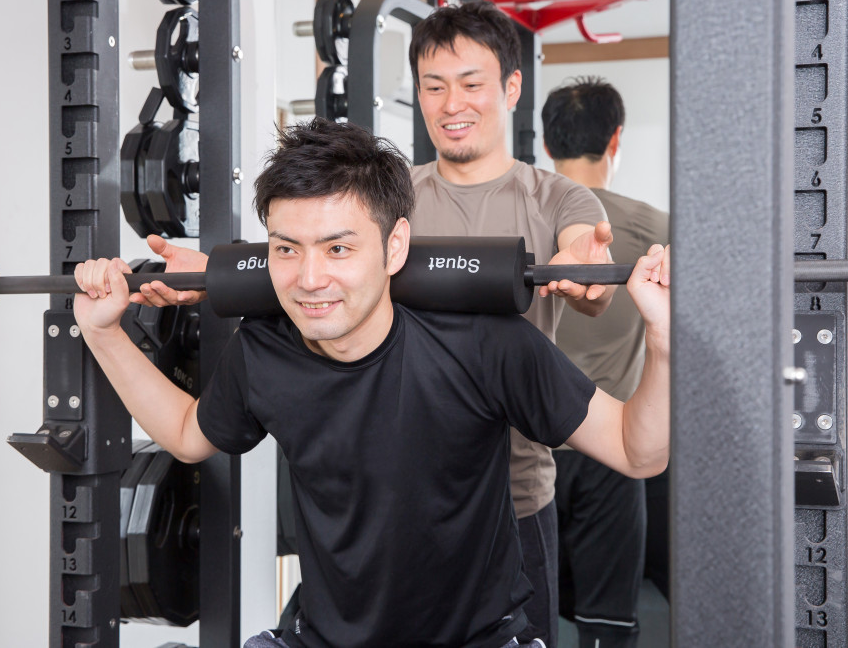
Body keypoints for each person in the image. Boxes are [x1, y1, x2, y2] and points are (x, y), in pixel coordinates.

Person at [73, 118, 671, 648]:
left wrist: (663, 344)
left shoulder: (487, 344)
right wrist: (104, 334)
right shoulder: (263, 349)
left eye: (338, 248)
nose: (310, 279)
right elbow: (187, 434)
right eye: (287, 249)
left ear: (395, 247)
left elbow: (634, 450)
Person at [132, 1, 619, 648]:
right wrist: (217, 274)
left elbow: (588, 277)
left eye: (471, 83)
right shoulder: (389, 193)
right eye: (433, 86)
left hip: (510, 491)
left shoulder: (557, 198)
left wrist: (581, 267)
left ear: (510, 87)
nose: (452, 104)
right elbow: (310, 257)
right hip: (384, 470)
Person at [543, 77, 671, 648]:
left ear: (548, 145)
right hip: (609, 452)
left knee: (525, 615)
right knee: (607, 626)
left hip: (525, 448)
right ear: (615, 139)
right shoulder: (656, 230)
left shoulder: (520, 222)